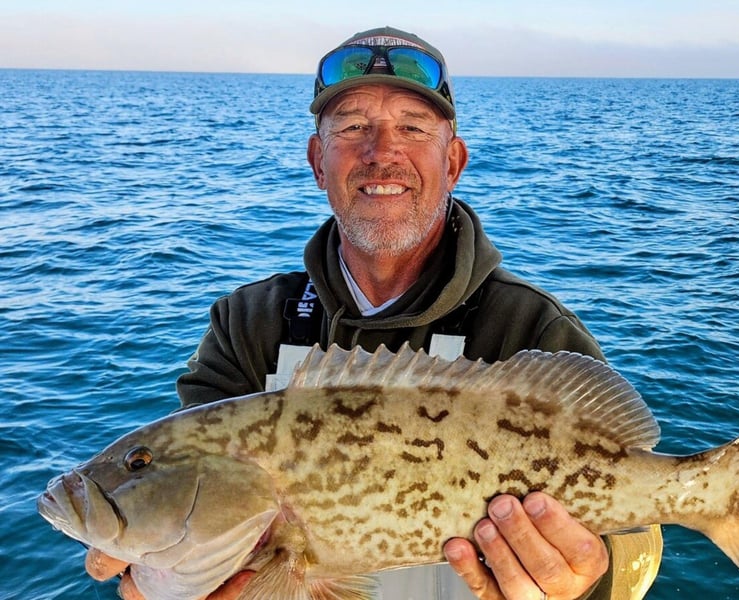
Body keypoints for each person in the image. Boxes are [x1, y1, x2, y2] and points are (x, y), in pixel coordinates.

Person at [85, 26, 662, 600]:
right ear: (318, 160)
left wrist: (586, 581)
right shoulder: (248, 323)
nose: (381, 152)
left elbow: (639, 530)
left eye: (412, 129)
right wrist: (163, 582)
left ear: (453, 161)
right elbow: (197, 495)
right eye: (353, 127)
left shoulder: (535, 329)